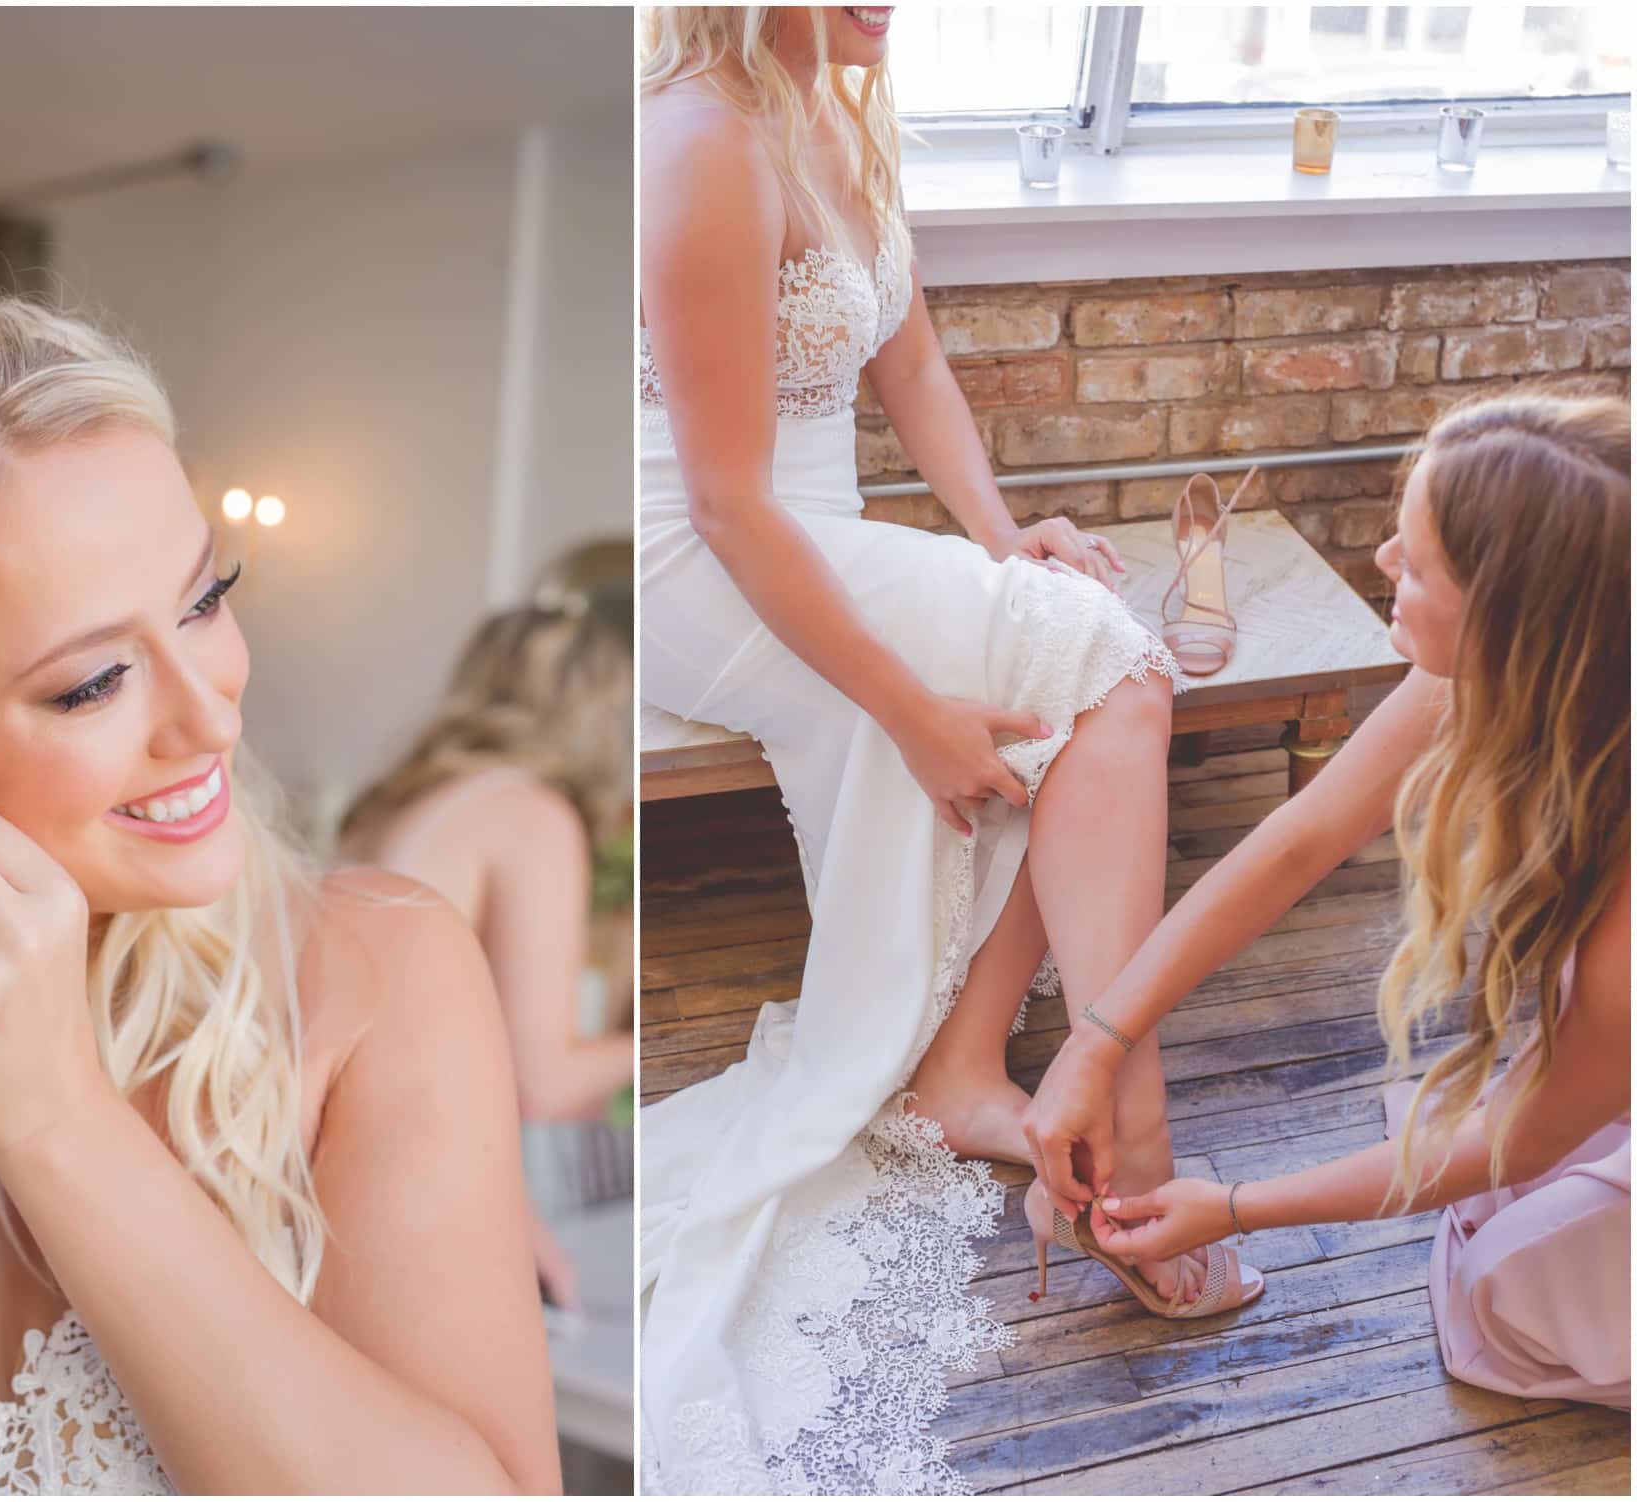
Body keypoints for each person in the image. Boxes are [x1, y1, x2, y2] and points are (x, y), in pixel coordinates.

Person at [0, 286, 561, 1494]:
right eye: (92, 682)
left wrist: (59, 1122)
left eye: (206, 598)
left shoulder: (376, 972)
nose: (212, 709)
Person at [636, 7, 1257, 1493]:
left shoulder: (841, 109)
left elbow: (910, 368)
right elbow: (725, 504)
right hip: (695, 560)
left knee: (1096, 660)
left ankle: (976, 1065)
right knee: (1115, 672)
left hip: (817, 539)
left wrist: (1003, 538)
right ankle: (1131, 1149)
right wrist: (912, 709)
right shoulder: (700, 141)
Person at [1025, 385, 1630, 1409]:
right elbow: (1294, 842)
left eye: (1415, 559)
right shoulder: (1517, 664)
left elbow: (1520, 1137)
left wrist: (1230, 1204)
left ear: (1507, 614)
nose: (1381, 564)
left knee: (1507, 1294)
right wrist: (1097, 1040)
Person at [339, 602, 635, 1315]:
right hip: (427, 1166)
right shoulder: (530, 816)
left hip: (351, 1157)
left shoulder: (392, 805)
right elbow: (541, 1081)